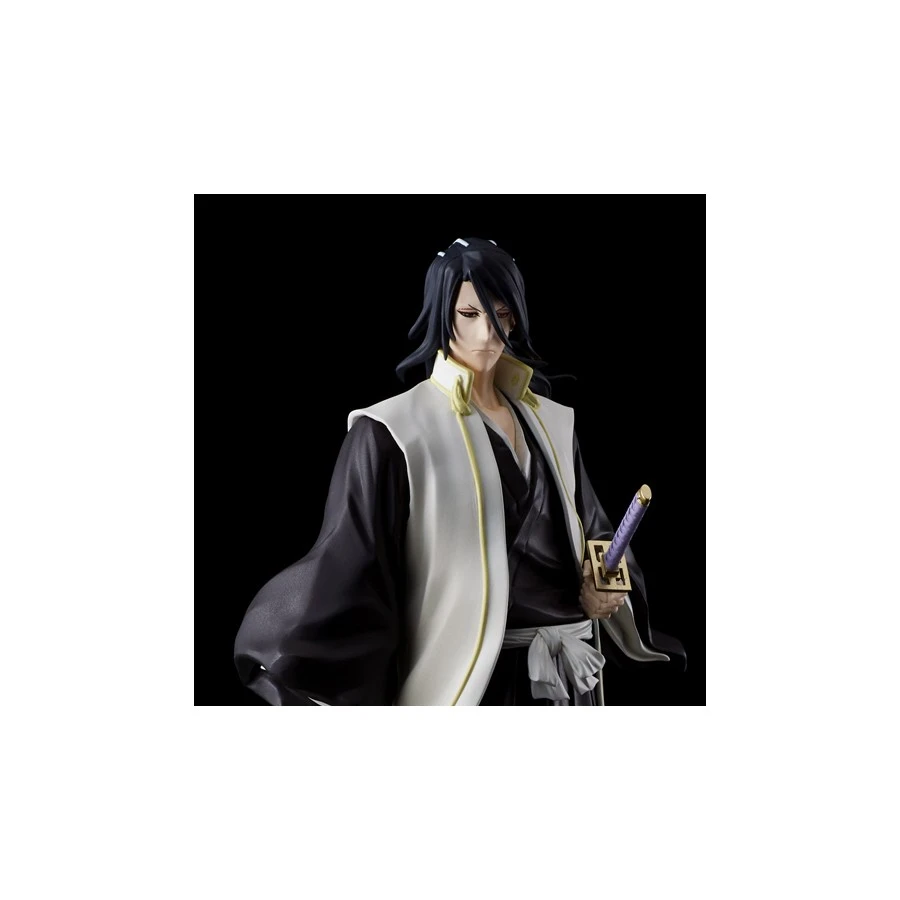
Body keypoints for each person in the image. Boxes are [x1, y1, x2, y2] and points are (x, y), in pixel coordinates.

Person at [233, 237, 685, 705]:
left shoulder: (552, 422)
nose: (488, 332)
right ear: (441, 313)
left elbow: (597, 533)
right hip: (474, 682)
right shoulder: (395, 430)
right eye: (469, 314)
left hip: (571, 673)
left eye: (502, 314)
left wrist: (606, 584)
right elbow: (354, 565)